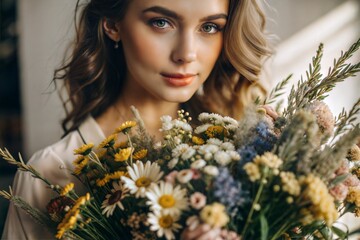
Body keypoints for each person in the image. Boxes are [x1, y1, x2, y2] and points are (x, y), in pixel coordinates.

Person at [2, 0, 270, 239]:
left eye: (210, 27)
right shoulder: (49, 174)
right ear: (112, 25)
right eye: (161, 22)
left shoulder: (246, 154)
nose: (187, 54)